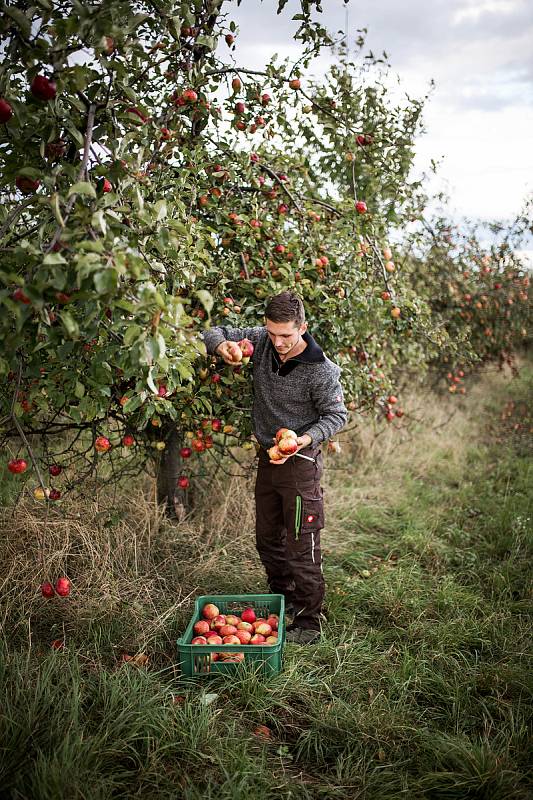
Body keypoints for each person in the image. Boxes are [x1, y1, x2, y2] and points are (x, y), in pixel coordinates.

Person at [202, 291, 347, 644]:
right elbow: (213, 331)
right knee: (267, 538)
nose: (278, 343)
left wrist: (304, 439)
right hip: (269, 457)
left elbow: (337, 415)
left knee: (302, 542)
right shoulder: (262, 341)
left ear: (303, 328)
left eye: (286, 335)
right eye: (273, 333)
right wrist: (223, 348)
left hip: (300, 462)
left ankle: (309, 621)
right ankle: (282, 601)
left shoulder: (321, 371)